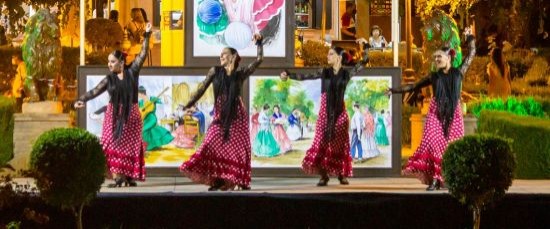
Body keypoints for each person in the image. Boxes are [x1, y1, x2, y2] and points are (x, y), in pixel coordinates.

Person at [387, 27, 475, 191]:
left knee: (450, 146)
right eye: (435, 58)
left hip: (453, 114)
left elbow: (471, 54)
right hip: (436, 112)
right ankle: (435, 179)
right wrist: (394, 90)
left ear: (448, 57)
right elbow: (413, 86)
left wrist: (469, 37)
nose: (436, 60)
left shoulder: (459, 73)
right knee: (434, 142)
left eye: (439, 57)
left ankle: (446, 178)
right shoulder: (433, 76)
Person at [179, 34, 264, 191]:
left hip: (237, 115)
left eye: (224, 53)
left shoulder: (240, 74)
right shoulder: (215, 71)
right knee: (210, 142)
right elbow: (202, 87)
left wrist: (259, 43)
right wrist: (189, 103)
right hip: (220, 115)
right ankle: (217, 179)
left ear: (233, 57)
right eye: (220, 54)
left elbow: (259, 60)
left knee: (238, 149)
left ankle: (237, 180)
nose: (221, 56)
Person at [280, 38, 370, 186]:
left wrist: (365, 46)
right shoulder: (325, 72)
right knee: (321, 142)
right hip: (324, 113)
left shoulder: (347, 74)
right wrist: (289, 74)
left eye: (331, 54)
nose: (327, 56)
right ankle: (323, 176)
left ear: (339, 58)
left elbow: (364, 61)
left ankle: (341, 174)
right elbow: (306, 77)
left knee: (340, 145)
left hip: (340, 113)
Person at [74, 23, 153, 188]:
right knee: (111, 143)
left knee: (130, 146)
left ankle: (126, 176)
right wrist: (82, 99)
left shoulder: (132, 71)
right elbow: (94, 91)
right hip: (113, 116)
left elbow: (143, 53)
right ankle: (118, 177)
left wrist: (146, 34)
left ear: (121, 62)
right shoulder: (109, 79)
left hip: (131, 115)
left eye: (112, 61)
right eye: (108, 62)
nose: (109, 65)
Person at [138, 86, 174, 151]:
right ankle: (149, 146)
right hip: (144, 119)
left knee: (143, 130)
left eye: (138, 94)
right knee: (148, 132)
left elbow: (165, 102)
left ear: (142, 93)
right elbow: (138, 111)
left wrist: (164, 96)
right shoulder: (140, 102)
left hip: (152, 119)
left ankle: (147, 146)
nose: (138, 95)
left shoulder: (152, 99)